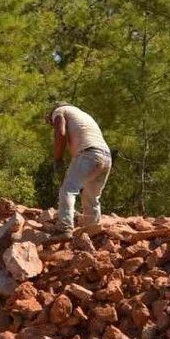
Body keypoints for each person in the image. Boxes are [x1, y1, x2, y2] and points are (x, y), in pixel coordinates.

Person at [46, 102, 113, 238]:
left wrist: (58, 159)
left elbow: (61, 133)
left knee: (68, 189)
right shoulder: (83, 115)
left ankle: (64, 228)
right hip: (106, 157)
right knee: (91, 196)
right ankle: (92, 230)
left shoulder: (59, 111)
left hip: (88, 154)